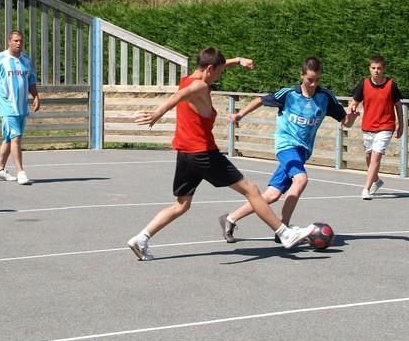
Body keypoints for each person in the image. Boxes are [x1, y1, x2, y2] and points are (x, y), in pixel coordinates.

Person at [127, 47, 316, 261]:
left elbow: (203, 75)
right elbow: (181, 96)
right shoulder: (198, 86)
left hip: (185, 154)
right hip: (203, 153)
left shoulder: (190, 78)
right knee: (251, 190)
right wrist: (158, 113)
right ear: (209, 69)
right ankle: (285, 233)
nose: (219, 76)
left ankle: (141, 238)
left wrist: (238, 60)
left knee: (181, 205)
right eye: (218, 72)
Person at [217, 57, 358, 243]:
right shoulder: (289, 94)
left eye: (317, 80)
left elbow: (345, 122)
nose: (313, 84)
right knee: (301, 179)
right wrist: (239, 115)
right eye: (310, 80)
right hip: (286, 146)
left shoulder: (325, 97)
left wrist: (352, 117)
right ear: (302, 75)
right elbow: (261, 100)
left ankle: (230, 219)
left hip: (302, 152)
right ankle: (283, 230)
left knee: (271, 195)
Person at [0, 30, 40, 185]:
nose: (18, 44)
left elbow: (32, 81)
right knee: (16, 138)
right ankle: (21, 172)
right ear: (9, 41)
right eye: (15, 41)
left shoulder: (26, 60)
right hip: (7, 106)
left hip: (22, 107)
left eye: (21, 41)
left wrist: (35, 96)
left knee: (9, 138)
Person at [348, 54, 403, 200]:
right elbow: (354, 102)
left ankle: (366, 188)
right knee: (368, 156)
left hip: (386, 126)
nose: (376, 71)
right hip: (368, 126)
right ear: (369, 69)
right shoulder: (363, 84)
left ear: (383, 69)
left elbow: (398, 105)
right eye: (373, 68)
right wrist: (350, 111)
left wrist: (401, 125)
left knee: (376, 156)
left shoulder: (391, 85)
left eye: (379, 68)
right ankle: (377, 180)